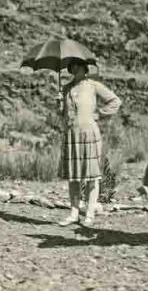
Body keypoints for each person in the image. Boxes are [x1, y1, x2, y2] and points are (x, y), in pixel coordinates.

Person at [57, 59, 121, 227]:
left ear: (84, 67)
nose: (75, 68)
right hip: (72, 134)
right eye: (72, 66)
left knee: (92, 176)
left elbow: (115, 101)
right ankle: (74, 213)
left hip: (89, 133)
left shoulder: (93, 85)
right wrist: (59, 104)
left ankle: (90, 213)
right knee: (74, 176)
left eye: (78, 65)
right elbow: (63, 115)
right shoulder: (66, 88)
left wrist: (100, 113)